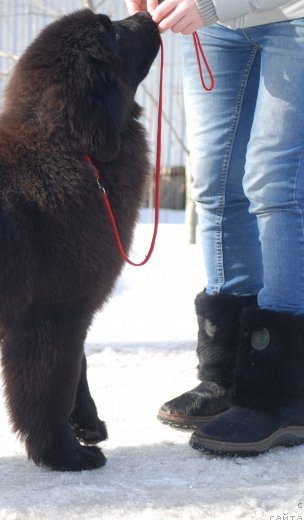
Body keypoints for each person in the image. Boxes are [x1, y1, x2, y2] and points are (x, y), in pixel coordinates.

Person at [124, 0, 304, 456]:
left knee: (276, 182)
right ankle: (228, 374)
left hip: (292, 16)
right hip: (217, 28)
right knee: (214, 182)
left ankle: (281, 392)